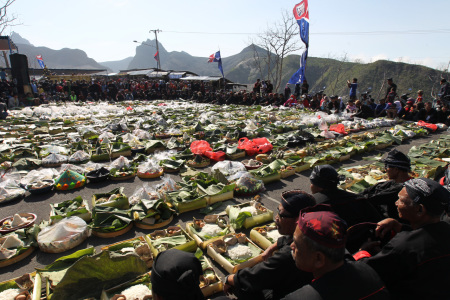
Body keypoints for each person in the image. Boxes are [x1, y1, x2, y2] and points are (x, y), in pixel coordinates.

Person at [355, 178, 450, 299]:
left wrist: (362, 252)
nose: (396, 203)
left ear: (420, 209)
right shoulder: (446, 229)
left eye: (401, 200)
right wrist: (399, 226)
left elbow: (366, 272)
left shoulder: (402, 245)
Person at [223, 190, 316, 300]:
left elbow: (255, 277)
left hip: (289, 292)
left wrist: (228, 279)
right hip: (301, 283)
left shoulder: (291, 253)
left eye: (281, 215)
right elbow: (287, 238)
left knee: (240, 287)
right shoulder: (313, 231)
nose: (276, 217)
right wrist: (270, 249)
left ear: (297, 220)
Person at [283, 209, 389, 299]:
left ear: (319, 258)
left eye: (296, 244)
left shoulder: (301, 297)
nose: (292, 246)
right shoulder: (366, 269)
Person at [309, 165, 382, 227]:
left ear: (319, 186)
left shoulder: (312, 205)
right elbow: (378, 223)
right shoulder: (359, 199)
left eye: (312, 183)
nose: (311, 186)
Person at [359, 150, 412, 219]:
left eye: (387, 166)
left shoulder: (404, 188)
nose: (385, 170)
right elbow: (371, 190)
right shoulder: (393, 182)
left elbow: (374, 198)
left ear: (396, 169)